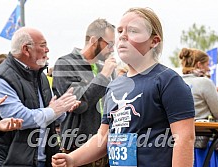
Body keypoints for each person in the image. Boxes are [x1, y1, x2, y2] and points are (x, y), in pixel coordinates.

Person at [52, 7, 195, 167]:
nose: (123, 36)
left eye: (133, 31)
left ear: (154, 41)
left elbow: (184, 138)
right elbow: (104, 136)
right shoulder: (114, 86)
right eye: (120, 31)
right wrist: (72, 159)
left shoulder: (168, 80)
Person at [0, 27, 79, 167]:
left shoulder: (40, 76)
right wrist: (54, 110)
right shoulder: (1, 79)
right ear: (26, 49)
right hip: (12, 162)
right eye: (43, 45)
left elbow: (50, 116)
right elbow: (19, 118)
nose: (47, 50)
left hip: (44, 160)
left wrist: (64, 108)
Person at [52, 18, 117, 166]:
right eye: (110, 44)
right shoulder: (65, 63)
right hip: (78, 150)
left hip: (106, 147)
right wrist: (104, 75)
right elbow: (80, 103)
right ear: (94, 40)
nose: (112, 49)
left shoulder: (105, 67)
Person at [179, 47, 218, 167]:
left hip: (179, 143)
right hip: (203, 144)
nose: (208, 68)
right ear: (199, 64)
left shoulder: (176, 81)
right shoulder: (204, 82)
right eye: (207, 65)